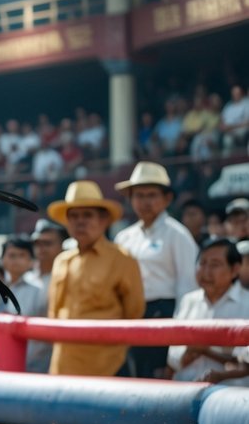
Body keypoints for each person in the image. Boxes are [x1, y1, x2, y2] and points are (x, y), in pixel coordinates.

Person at [46, 180, 145, 376]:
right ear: (66, 222)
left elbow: (134, 312)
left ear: (103, 221)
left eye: (87, 215)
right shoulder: (61, 261)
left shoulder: (122, 259)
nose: (80, 221)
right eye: (73, 216)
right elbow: (54, 312)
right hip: (62, 362)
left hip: (106, 364)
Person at [113, 161, 199, 378]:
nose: (145, 202)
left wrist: (180, 334)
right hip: (130, 317)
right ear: (130, 199)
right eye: (139, 195)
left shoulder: (177, 235)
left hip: (165, 314)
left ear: (167, 199)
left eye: (151, 195)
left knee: (158, 379)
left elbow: (187, 287)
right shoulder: (124, 237)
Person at [166, 239, 249, 385]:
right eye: (202, 263)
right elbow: (173, 355)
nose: (206, 272)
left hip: (230, 397)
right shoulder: (189, 301)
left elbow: (244, 362)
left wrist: (206, 350)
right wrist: (186, 355)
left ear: (235, 269)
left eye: (214, 265)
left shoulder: (246, 304)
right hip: (184, 391)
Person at [0, 237, 49, 373]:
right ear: (2, 259)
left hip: (30, 366)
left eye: (22, 255)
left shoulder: (40, 290)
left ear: (31, 261)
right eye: (11, 255)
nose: (16, 260)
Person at [27, 218, 67, 292]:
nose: (41, 247)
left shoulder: (67, 277)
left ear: (61, 246)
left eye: (47, 243)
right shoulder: (26, 278)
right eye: (37, 243)